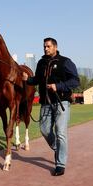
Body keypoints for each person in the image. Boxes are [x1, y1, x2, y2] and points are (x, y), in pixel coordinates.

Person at [22, 37, 79, 176]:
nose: (45, 49)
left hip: (61, 102)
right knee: (44, 130)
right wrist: (27, 79)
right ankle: (58, 149)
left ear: (55, 47)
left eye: (48, 46)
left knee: (61, 133)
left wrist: (58, 86)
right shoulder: (41, 63)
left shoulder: (65, 61)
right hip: (46, 103)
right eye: (44, 47)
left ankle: (60, 164)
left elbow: (75, 80)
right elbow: (37, 80)